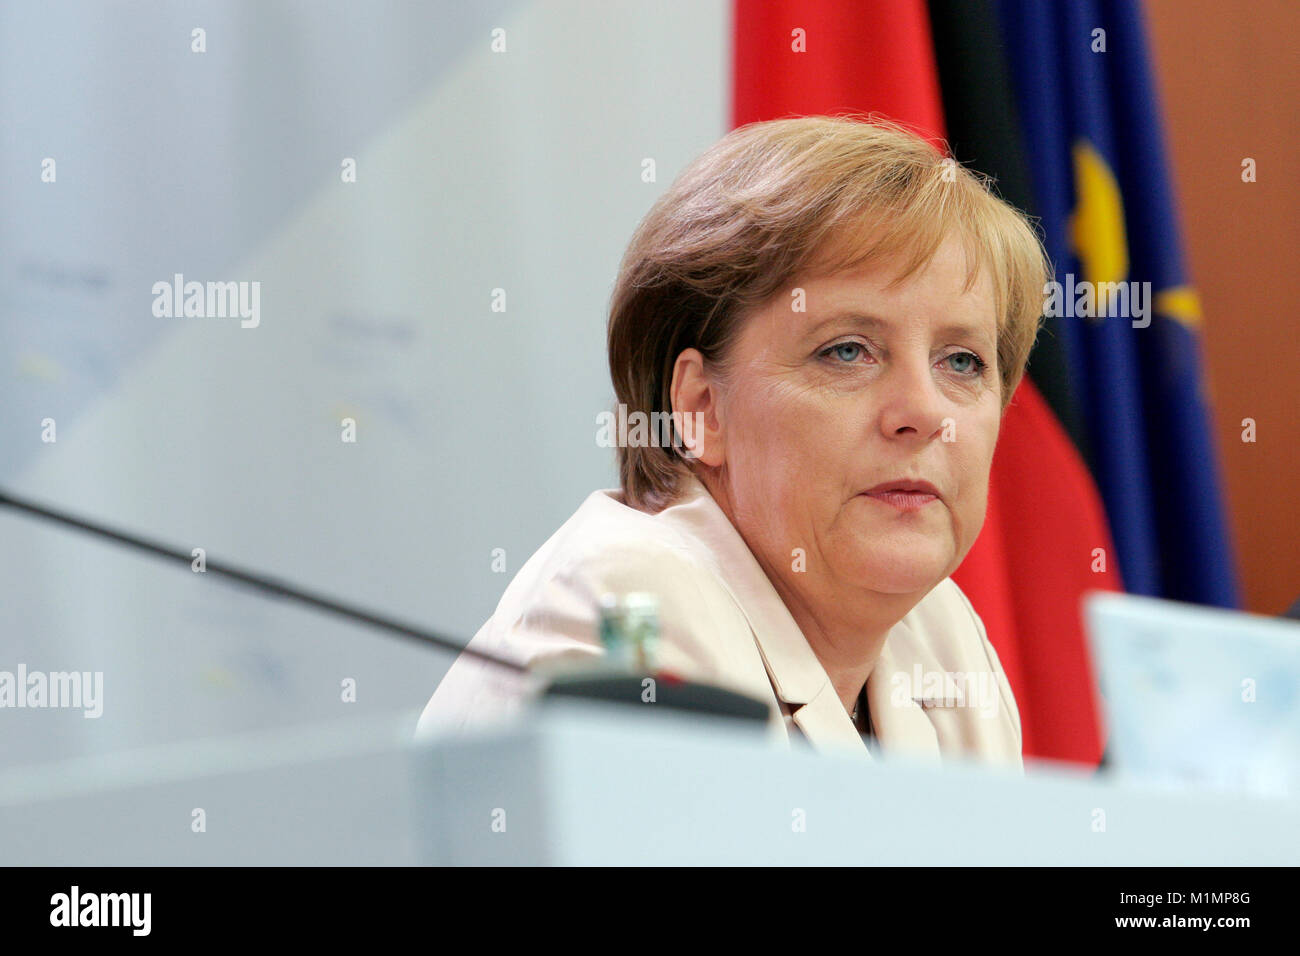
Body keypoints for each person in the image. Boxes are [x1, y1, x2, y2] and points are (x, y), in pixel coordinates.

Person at [417, 116, 1049, 769]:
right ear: (701, 408)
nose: (923, 411)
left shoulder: (939, 638)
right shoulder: (629, 604)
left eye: (963, 362)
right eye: (847, 351)